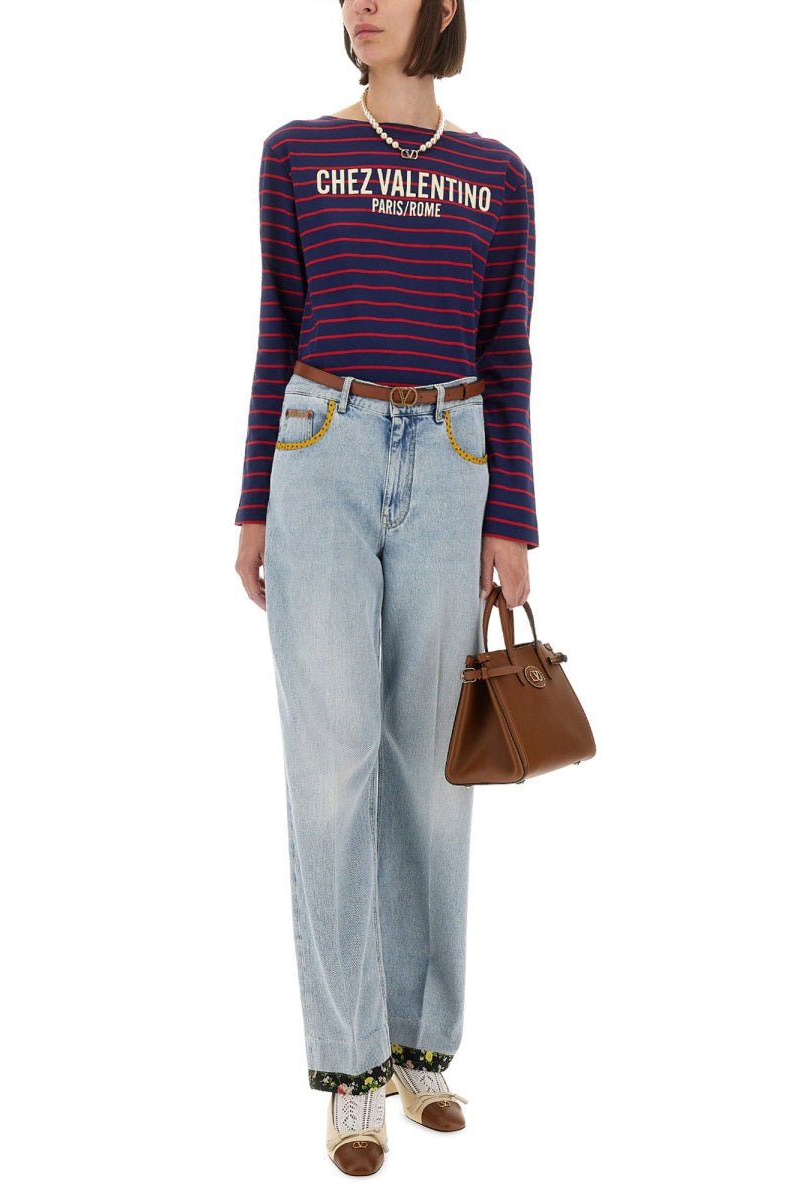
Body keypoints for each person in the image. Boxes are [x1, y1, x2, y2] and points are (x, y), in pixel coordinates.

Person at [234, 0, 538, 1176]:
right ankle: (350, 1067)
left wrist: (512, 519)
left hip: (455, 457)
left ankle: (421, 1049)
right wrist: (254, 503)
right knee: (330, 770)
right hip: (322, 449)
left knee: (433, 772)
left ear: (442, 8)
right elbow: (278, 329)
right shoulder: (297, 153)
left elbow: (506, 350)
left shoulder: (498, 176)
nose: (362, 4)